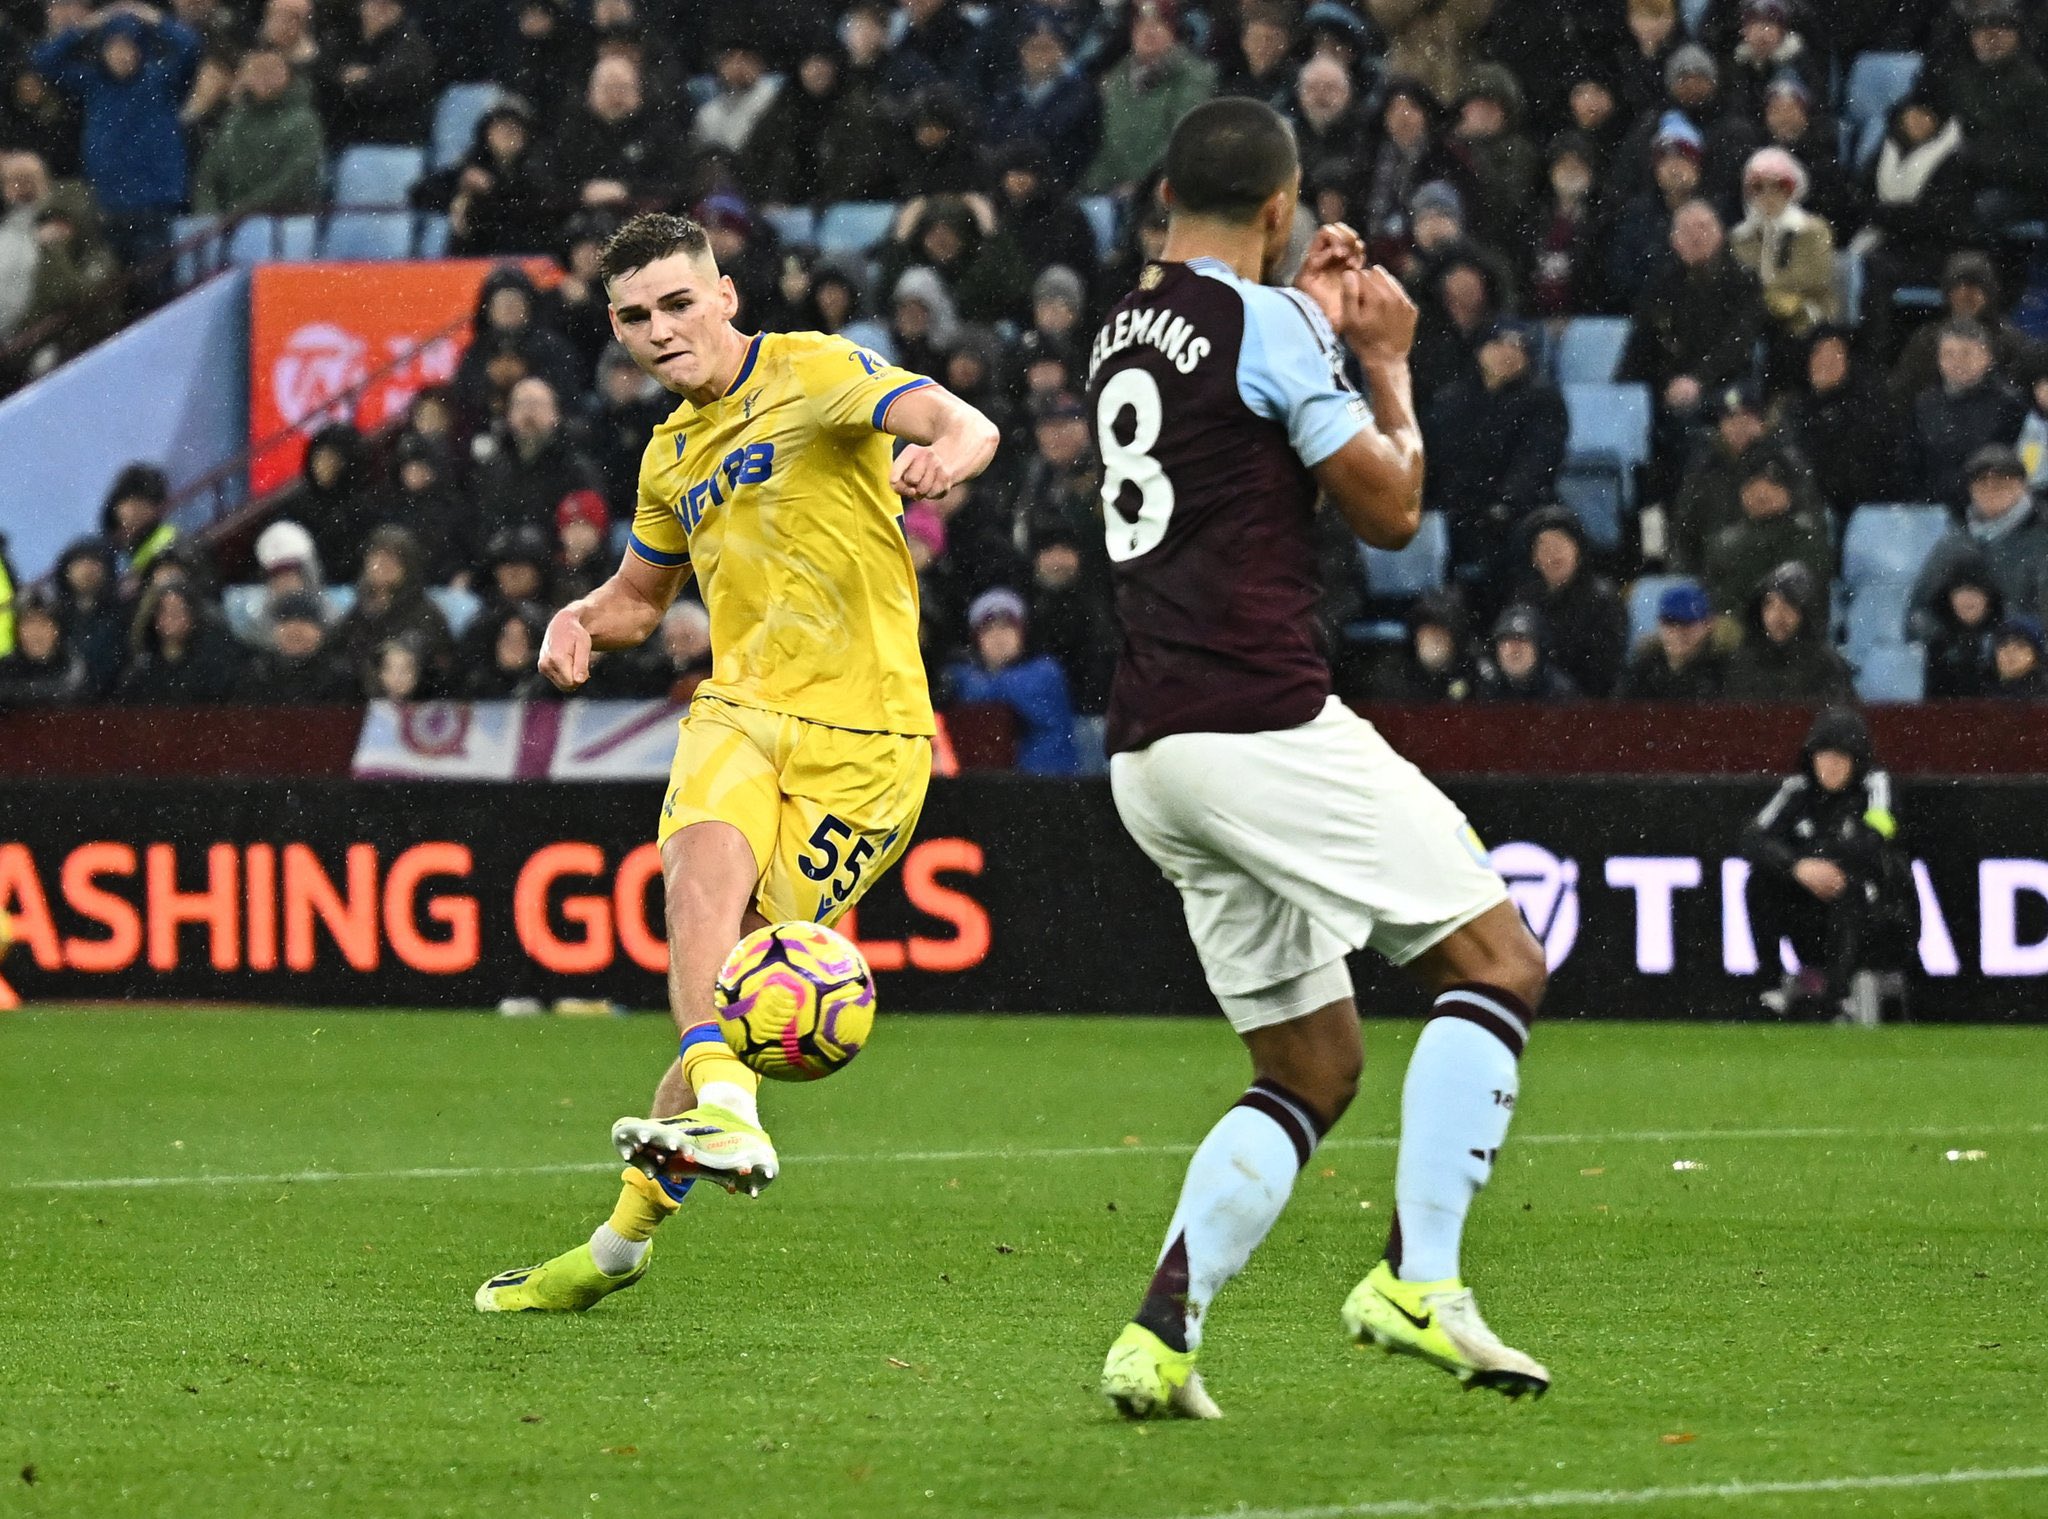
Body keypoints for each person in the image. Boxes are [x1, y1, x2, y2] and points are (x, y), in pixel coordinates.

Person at [1085, 99, 1550, 1420]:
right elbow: (1393, 510)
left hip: (1151, 752)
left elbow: (1222, 381)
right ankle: (1420, 1279)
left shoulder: (1124, 320)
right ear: (1284, 207)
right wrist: (1387, 361)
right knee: (1501, 959)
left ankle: (1159, 1335)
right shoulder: (1277, 326)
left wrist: (1300, 315)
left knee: (1311, 1065)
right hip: (1260, 723)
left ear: (1169, 192)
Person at [477, 212, 998, 1313]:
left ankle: (616, 1245)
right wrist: (579, 616)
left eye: (677, 302)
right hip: (743, 706)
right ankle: (727, 1106)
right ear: (614, 330)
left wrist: (951, 448)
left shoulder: (813, 371)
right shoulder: (669, 454)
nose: (660, 330)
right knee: (696, 883)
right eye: (634, 315)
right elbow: (639, 598)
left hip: (870, 742)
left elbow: (951, 416)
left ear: (723, 298)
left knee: (747, 981)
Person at [1742, 708, 1915, 1019]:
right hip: (1811, 915)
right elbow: (1754, 837)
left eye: (1840, 757)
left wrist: (1826, 860)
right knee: (1759, 880)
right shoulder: (1798, 789)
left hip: (1878, 916)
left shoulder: (1876, 785)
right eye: (1823, 756)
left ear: (1857, 760)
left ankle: (1837, 996)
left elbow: (1878, 833)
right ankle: (1769, 986)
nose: (1830, 766)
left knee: (1845, 882)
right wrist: (1797, 866)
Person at [32, 4, 200, 273]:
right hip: (108, 204)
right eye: (114, 47)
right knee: (116, 291)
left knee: (153, 286)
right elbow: (44, 60)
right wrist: (88, 25)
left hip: (155, 206)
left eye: (129, 47)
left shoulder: (161, 81)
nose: (121, 55)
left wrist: (154, 18)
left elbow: (191, 46)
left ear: (140, 49)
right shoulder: (94, 84)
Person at [1423, 318, 1565, 602]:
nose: (1508, 352)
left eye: (1518, 346)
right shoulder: (1450, 401)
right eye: (1499, 343)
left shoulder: (1543, 402)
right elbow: (1436, 462)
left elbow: (1537, 462)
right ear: (1480, 350)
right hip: (1457, 512)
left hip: (1514, 514)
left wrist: (1504, 502)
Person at [1906, 446, 2048, 638]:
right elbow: (1919, 612)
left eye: (2001, 484)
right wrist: (1954, 641)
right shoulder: (1955, 543)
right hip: (1966, 657)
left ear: (2022, 486)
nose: (1991, 492)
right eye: (1982, 484)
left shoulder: (2042, 537)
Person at [1084, 0, 1217, 196]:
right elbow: (1110, 147)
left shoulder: (1194, 77)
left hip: (1162, 188)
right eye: (1141, 24)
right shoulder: (1118, 76)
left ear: (1173, 31)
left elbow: (1181, 138)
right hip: (1112, 189)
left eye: (1158, 24)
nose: (1149, 31)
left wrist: (1142, 186)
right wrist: (1092, 188)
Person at [944, 587, 1080, 775]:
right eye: (988, 629)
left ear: (1022, 634)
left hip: (1049, 782)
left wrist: (958, 677)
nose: (999, 636)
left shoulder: (1045, 671)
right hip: (994, 785)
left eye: (1007, 627)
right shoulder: (966, 676)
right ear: (976, 640)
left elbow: (992, 691)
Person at [1905, 319, 2029, 509]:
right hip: (1931, 506)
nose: (1957, 362)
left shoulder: (2010, 404)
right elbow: (1911, 462)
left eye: (1966, 353)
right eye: (1948, 354)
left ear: (1987, 356)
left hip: (1991, 506)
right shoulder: (1925, 404)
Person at [190, 42, 323, 215]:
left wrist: (242, 211)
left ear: (286, 74)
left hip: (282, 221)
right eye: (254, 71)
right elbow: (208, 176)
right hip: (228, 223)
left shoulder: (303, 121)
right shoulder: (235, 121)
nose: (262, 77)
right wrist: (208, 215)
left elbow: (295, 180)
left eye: (270, 70)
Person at [1517, 506, 1627, 697]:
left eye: (1560, 543)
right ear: (1534, 557)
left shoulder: (1603, 598)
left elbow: (1605, 668)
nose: (1553, 554)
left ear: (1577, 549)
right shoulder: (1526, 598)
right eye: (1544, 546)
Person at [1723, 560, 1853, 701]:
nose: (1776, 615)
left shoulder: (1827, 668)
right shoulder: (1740, 666)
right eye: (1769, 603)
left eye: (1789, 604)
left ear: (1807, 612)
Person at [319, 0, 434, 147]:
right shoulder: (341, 37)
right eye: (376, 3)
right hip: (338, 137)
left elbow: (396, 84)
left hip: (391, 142)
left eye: (388, 4)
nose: (380, 8)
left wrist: (364, 78)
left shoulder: (412, 45)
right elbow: (324, 79)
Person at [113, 581, 241, 702]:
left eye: (179, 610)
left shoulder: (213, 669)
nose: (172, 618)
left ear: (192, 616)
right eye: (165, 611)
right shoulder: (140, 672)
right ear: (155, 617)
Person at [1615, 579, 1728, 698]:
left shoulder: (1726, 674)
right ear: (1659, 624)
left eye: (1688, 623)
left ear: (1708, 625)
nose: (1678, 632)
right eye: (1670, 622)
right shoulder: (1641, 670)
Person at [234, 590, 352, 702]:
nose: (296, 629)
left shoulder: (341, 676)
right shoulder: (258, 674)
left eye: (304, 620)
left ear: (320, 631)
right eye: (287, 620)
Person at [1371, 590, 1477, 702]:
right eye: (1426, 627)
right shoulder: (1392, 676)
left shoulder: (1473, 674)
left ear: (1453, 637)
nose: (1433, 635)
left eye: (1441, 627)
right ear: (1415, 636)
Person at [1919, 560, 2001, 699]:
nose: (1967, 599)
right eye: (1960, 591)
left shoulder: (2006, 639)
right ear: (1949, 598)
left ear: (1989, 598)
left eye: (1975, 591)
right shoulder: (1938, 646)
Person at [0, 588, 92, 705]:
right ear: (17, 630)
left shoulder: (74, 669)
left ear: (57, 630)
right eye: (29, 623)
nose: (36, 633)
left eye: (43, 624)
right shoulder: (4, 670)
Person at [1474, 602, 1578, 700]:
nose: (1514, 650)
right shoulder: (1485, 689)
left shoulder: (1560, 692)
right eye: (1506, 641)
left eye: (1522, 640)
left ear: (1539, 648)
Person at [1988, 615, 2048, 697]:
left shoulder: (2042, 697)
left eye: (2020, 645)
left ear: (2036, 654)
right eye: (2003, 645)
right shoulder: (1983, 692)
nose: (2010, 652)